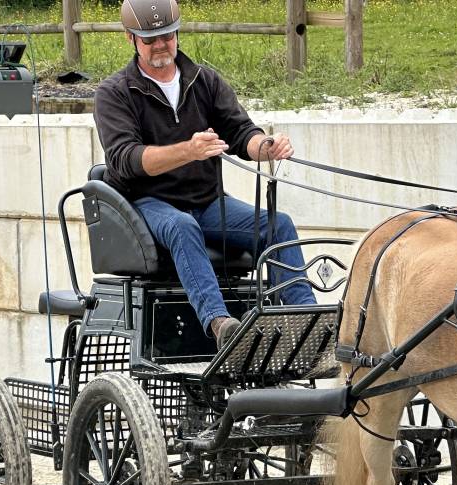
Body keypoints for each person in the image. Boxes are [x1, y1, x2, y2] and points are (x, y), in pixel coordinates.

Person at [93, 0, 317, 350]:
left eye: (166, 36)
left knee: (279, 224)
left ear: (177, 33)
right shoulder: (114, 93)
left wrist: (265, 146)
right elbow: (125, 159)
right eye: (149, 39)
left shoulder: (205, 80)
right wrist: (189, 150)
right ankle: (220, 324)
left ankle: (306, 324)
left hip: (207, 202)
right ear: (130, 39)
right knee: (183, 227)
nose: (160, 45)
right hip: (146, 204)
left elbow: (241, 132)